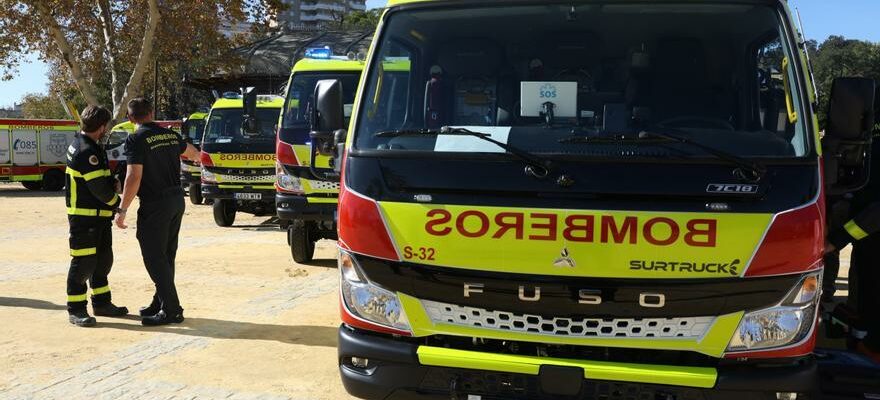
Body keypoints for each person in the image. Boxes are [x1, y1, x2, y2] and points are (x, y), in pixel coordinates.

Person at [115, 98, 199, 326]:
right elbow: (193, 153)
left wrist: (122, 209)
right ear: (152, 113)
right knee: (166, 255)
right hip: (175, 201)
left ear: (131, 118)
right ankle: (159, 302)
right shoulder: (170, 135)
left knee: (154, 257)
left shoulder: (136, 139)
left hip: (155, 205)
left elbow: (133, 177)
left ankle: (172, 310)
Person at [65, 105, 129, 327]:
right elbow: (98, 189)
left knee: (102, 261)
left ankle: (102, 303)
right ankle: (76, 308)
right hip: (84, 218)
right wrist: (118, 204)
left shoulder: (91, 145)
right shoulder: (85, 150)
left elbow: (100, 180)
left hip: (99, 217)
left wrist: (112, 181)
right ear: (101, 127)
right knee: (83, 263)